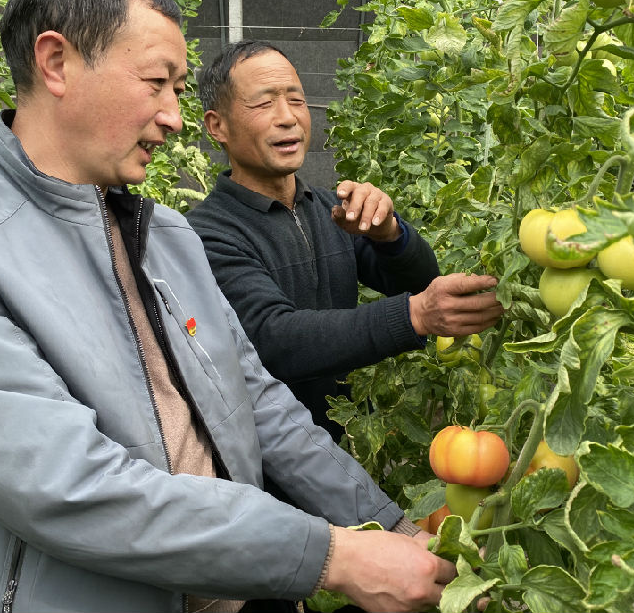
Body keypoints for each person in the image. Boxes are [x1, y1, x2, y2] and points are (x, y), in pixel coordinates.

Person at [0, 0, 457, 613]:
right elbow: (64, 484)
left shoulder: (165, 235)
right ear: (56, 63)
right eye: (155, 83)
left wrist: (390, 527)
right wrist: (331, 557)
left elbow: (258, 402)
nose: (173, 116)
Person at [186, 40, 505, 441]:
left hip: (339, 449)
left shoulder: (329, 210)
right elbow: (273, 338)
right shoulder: (205, 233)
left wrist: (391, 235)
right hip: (262, 457)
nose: (288, 118)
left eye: (297, 100)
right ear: (217, 126)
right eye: (264, 104)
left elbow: (419, 281)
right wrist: (414, 316)